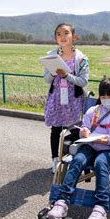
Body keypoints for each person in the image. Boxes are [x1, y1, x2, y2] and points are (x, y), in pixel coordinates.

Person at [46, 78, 110, 219]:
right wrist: (84, 132)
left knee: (100, 163)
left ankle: (101, 208)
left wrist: (109, 140)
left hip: (109, 150)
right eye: (103, 97)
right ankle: (62, 202)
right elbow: (84, 127)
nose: (106, 100)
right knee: (77, 159)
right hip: (90, 145)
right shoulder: (93, 111)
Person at [43, 23, 89, 173]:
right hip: (56, 97)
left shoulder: (81, 58)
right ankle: (55, 159)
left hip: (74, 100)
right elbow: (47, 79)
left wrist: (66, 75)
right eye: (58, 34)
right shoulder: (51, 55)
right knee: (56, 129)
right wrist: (53, 72)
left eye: (66, 33)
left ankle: (78, 161)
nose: (62, 37)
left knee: (76, 130)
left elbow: (83, 81)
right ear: (55, 37)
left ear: (73, 36)